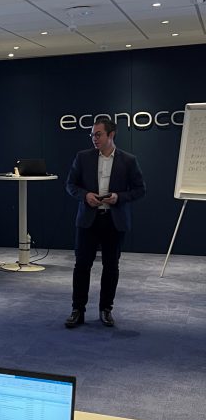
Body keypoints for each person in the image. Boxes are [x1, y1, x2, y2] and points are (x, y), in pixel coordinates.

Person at [65, 116, 146, 328]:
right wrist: (85, 196)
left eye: (98, 134)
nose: (94, 138)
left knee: (111, 266)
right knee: (82, 265)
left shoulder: (128, 160)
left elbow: (140, 190)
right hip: (88, 220)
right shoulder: (83, 157)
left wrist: (119, 197)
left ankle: (106, 309)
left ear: (111, 135)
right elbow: (70, 185)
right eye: (92, 134)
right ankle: (77, 310)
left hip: (114, 220)